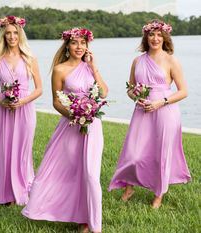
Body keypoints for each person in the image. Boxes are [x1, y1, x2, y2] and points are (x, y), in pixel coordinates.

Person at [22, 28, 108, 233]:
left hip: (93, 126)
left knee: (90, 174)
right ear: (67, 45)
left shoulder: (90, 67)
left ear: (87, 46)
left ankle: (91, 222)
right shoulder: (60, 69)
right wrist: (74, 115)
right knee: (68, 171)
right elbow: (56, 101)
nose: (79, 47)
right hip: (70, 126)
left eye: (83, 43)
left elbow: (103, 92)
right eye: (75, 43)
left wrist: (94, 67)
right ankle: (73, 214)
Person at [108, 19, 191, 208]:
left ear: (164, 38)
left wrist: (160, 102)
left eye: (159, 35)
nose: (155, 38)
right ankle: (129, 187)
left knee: (160, 153)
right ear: (146, 36)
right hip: (142, 110)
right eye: (151, 35)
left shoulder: (171, 60)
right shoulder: (137, 61)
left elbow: (183, 91)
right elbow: (130, 88)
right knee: (134, 153)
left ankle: (158, 194)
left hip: (165, 111)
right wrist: (135, 96)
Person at [0, 15, 42, 205]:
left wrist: (22, 101)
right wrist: (2, 103)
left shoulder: (30, 58)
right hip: (4, 110)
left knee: (22, 150)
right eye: (7, 33)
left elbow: (39, 89)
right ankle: (4, 190)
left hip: (25, 110)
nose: (11, 36)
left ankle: (22, 187)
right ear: (3, 35)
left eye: (15, 32)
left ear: (20, 34)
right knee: (2, 149)